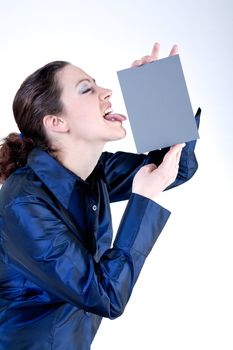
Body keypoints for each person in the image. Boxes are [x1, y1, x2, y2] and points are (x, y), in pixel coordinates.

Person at [0, 42, 201, 350]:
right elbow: (105, 296)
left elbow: (177, 167)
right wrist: (142, 201)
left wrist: (158, 96)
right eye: (87, 89)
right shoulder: (23, 202)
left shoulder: (93, 171)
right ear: (56, 122)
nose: (106, 92)